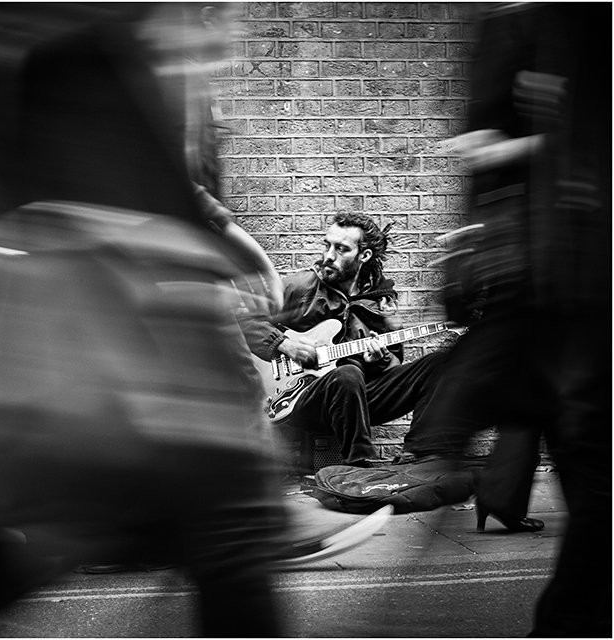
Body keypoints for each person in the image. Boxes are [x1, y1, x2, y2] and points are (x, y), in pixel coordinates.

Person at [0, 4, 290, 635]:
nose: (222, 29)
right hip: (115, 337)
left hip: (94, 340)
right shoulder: (85, 47)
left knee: (30, 545)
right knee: (230, 526)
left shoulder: (74, 48)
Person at [412, 4, 610, 635]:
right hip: (546, 280)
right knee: (586, 459)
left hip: (566, 278)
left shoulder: (566, 26)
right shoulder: (516, 27)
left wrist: (505, 149)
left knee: (587, 461)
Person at [239, 211, 450, 468]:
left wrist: (381, 360)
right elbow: (244, 321)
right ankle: (361, 464)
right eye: (327, 245)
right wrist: (284, 344)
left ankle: (419, 456)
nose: (328, 255)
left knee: (437, 365)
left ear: (364, 256)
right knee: (348, 373)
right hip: (301, 398)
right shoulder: (300, 287)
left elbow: (395, 369)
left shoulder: (379, 305)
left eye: (341, 249)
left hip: (357, 401)